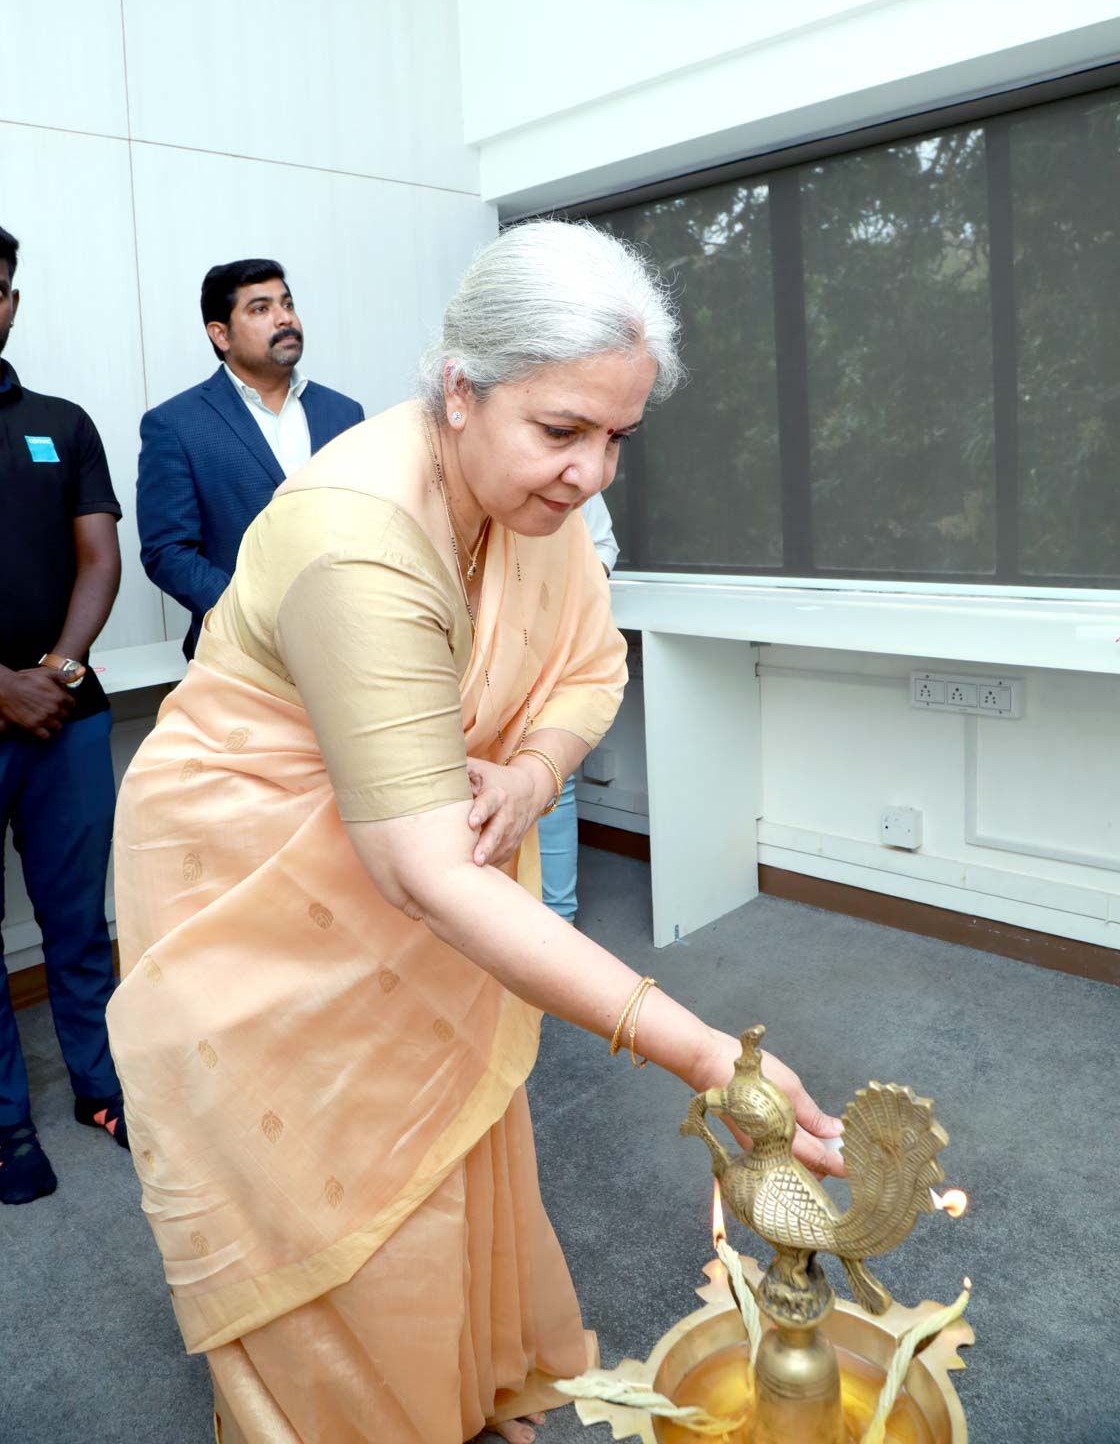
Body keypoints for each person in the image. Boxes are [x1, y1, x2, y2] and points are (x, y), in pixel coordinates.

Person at [107, 221, 842, 1444]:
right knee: (330, 1183)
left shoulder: (530, 512)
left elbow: (591, 668)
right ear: (459, 389)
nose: (592, 473)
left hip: (424, 856)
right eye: (562, 431)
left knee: (449, 1145)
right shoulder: (356, 535)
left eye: (617, 437)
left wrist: (536, 771)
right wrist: (710, 1056)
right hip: (259, 878)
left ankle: (459, 1387)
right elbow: (425, 874)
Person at [0, 223, 129, 1205]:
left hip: (66, 718)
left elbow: (99, 557)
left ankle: (101, 1087)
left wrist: (55, 671)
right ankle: (7, 1122)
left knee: (80, 922)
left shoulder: (62, 423)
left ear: (10, 302)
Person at [136, 258, 365, 657]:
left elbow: (366, 524)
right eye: (261, 309)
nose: (284, 318)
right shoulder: (175, 424)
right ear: (220, 334)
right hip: (239, 650)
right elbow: (168, 552)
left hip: (346, 641)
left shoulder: (344, 413)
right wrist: (253, 617)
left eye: (287, 304)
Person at [538, 492, 619, 922]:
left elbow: (604, 544)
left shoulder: (575, 478)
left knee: (551, 773)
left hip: (552, 636)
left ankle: (559, 919)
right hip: (475, 638)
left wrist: (572, 591)